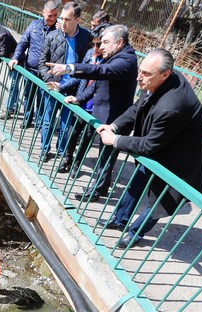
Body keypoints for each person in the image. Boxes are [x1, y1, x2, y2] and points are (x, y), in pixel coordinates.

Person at [97, 48, 202, 248]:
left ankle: (135, 232)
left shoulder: (172, 106)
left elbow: (149, 145)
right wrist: (113, 126)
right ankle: (119, 219)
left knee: (162, 198)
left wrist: (115, 140)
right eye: (140, 70)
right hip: (162, 139)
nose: (139, 77)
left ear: (165, 74)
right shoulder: (154, 81)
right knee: (139, 179)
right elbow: (137, 108)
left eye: (146, 73)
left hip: (180, 154)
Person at [48, 24, 137, 197]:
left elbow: (100, 71)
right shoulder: (114, 56)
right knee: (96, 150)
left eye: (105, 42)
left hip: (115, 119)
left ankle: (97, 191)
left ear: (119, 42)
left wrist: (69, 68)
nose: (101, 47)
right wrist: (79, 98)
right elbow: (97, 84)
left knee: (106, 157)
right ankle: (98, 186)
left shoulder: (127, 60)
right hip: (101, 114)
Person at [38, 2, 91, 162]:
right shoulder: (52, 36)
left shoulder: (86, 37)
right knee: (47, 121)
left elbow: (87, 67)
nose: (62, 22)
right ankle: (44, 150)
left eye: (67, 19)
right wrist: (49, 81)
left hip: (72, 90)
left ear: (78, 20)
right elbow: (42, 63)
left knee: (66, 125)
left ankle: (61, 152)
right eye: (62, 18)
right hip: (53, 87)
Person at [8, 1, 60, 128]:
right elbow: (23, 43)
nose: (53, 18)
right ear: (43, 13)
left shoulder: (59, 29)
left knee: (42, 98)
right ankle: (27, 119)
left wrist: (61, 33)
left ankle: (38, 123)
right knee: (28, 96)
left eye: (55, 15)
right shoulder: (34, 26)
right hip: (30, 70)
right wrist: (15, 57)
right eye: (50, 15)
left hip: (47, 72)